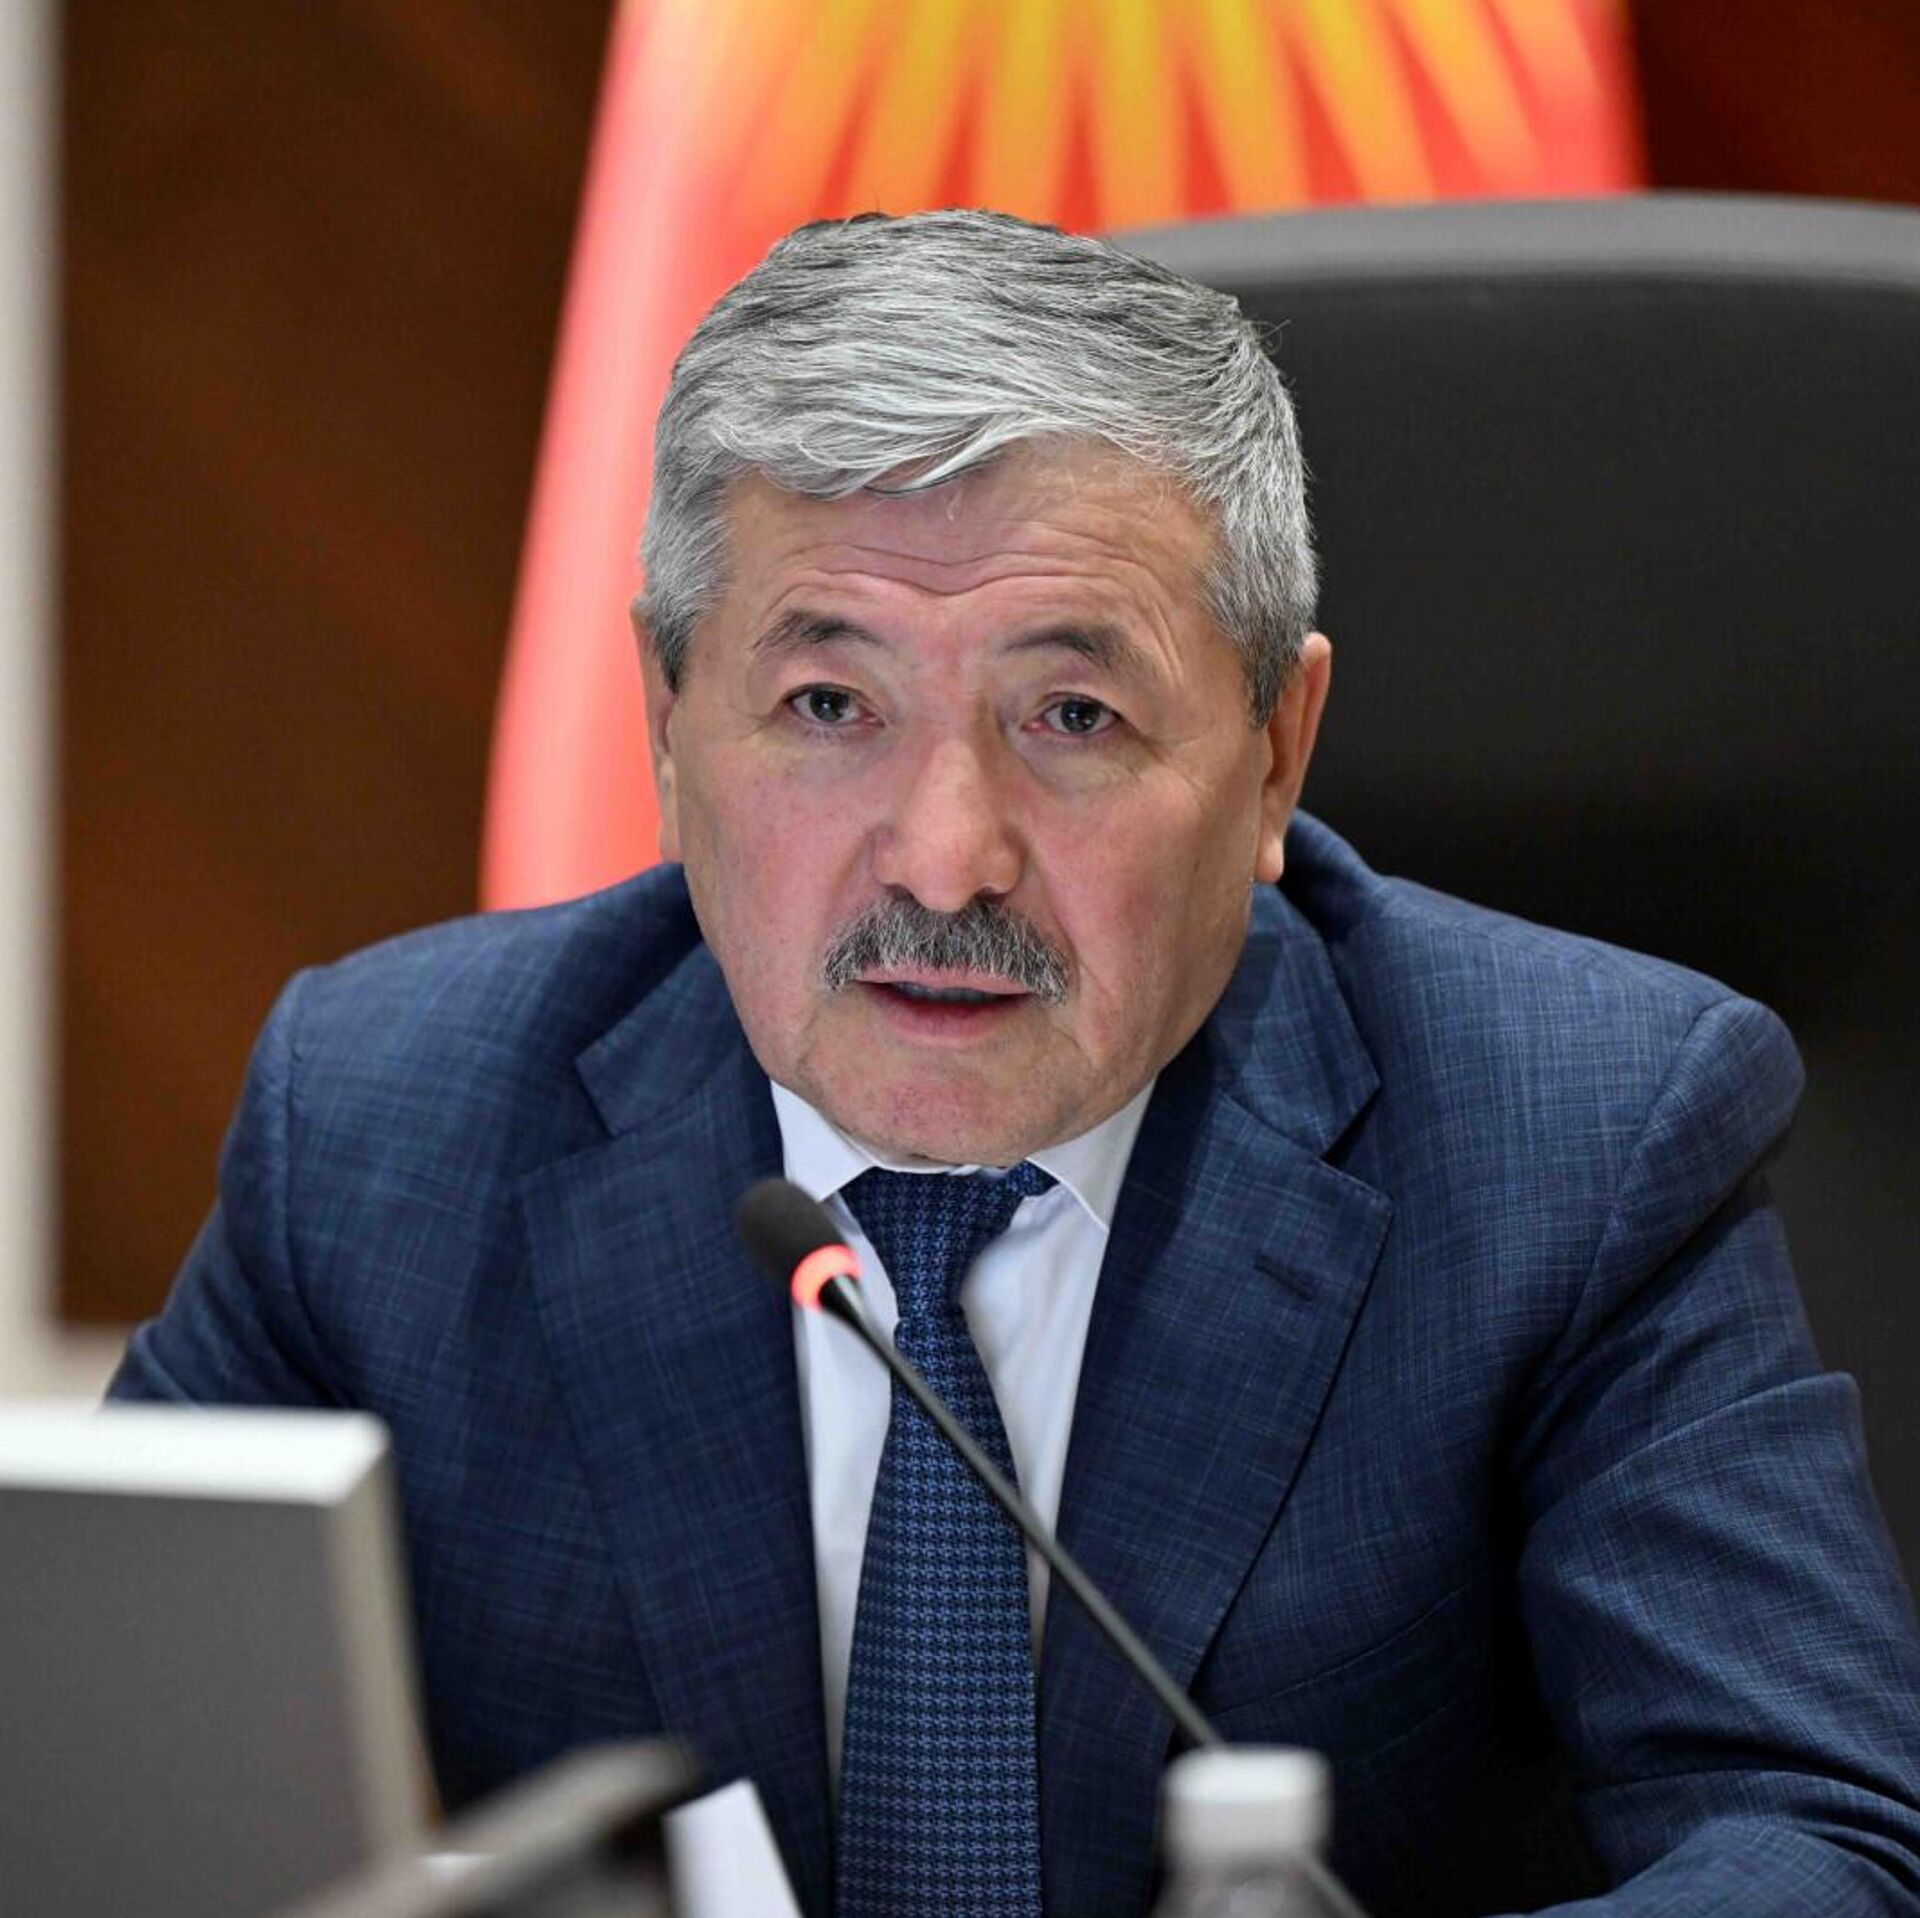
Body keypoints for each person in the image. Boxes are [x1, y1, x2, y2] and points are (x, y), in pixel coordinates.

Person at [112, 210, 1920, 1918]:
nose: (943, 857)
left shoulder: (1582, 1143)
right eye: (831, 706)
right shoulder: (379, 1127)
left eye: (1072, 715)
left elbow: (1821, 1845)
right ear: (668, 727)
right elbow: (101, 1782)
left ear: (1277, 755)